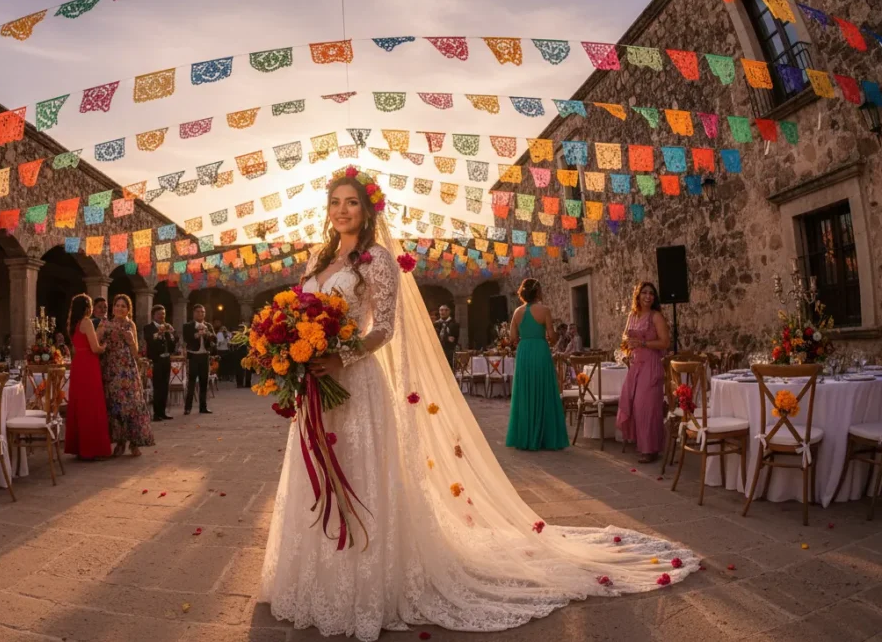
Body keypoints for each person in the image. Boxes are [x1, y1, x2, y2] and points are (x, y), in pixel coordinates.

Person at [260, 168, 697, 641]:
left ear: (367, 210)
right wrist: (289, 354)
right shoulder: (318, 258)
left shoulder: (378, 260)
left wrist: (337, 355)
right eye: (335, 203)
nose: (342, 210)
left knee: (361, 477)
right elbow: (297, 312)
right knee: (317, 473)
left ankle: (367, 583)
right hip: (316, 391)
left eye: (351, 202)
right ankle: (318, 578)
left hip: (356, 385)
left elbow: (382, 329)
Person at [504, 279, 569, 451]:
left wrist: (524, 336)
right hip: (540, 350)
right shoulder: (545, 310)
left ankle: (526, 436)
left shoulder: (517, 312)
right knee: (544, 389)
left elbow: (512, 338)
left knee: (525, 392)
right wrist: (553, 335)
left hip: (524, 351)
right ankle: (545, 436)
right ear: (538, 292)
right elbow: (552, 336)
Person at [616, 282, 671, 464]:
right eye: (644, 293)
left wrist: (644, 344)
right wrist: (627, 348)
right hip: (636, 365)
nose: (648, 296)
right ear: (638, 296)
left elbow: (665, 343)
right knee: (633, 405)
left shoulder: (656, 317)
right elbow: (625, 337)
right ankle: (643, 444)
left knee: (646, 406)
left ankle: (651, 449)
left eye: (651, 294)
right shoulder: (632, 315)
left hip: (651, 365)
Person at [99, 294, 155, 456]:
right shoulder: (105, 324)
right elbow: (96, 344)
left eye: (123, 306)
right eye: (117, 305)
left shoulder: (131, 325)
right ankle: (120, 442)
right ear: (113, 307)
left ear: (128, 310)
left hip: (128, 369)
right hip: (111, 369)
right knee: (116, 405)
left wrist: (130, 341)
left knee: (131, 405)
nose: (119, 308)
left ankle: (134, 442)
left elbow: (136, 352)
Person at [63, 294, 111, 461]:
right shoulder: (86, 322)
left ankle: (79, 447)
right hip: (89, 364)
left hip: (78, 364)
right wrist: (105, 345)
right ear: (86, 307)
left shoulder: (73, 324)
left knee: (79, 404)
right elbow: (95, 348)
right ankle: (91, 449)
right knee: (92, 404)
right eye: (90, 305)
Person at [143, 305, 177, 421]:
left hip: (166, 359)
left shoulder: (167, 327)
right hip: (156, 360)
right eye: (159, 314)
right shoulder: (149, 327)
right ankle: (156, 414)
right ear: (154, 315)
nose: (162, 316)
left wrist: (172, 334)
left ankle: (163, 412)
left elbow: (172, 345)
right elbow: (150, 341)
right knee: (157, 387)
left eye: (163, 314)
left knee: (165, 387)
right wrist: (159, 332)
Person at [182, 305, 215, 415]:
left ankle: (203, 407)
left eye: (203, 312)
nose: (201, 314)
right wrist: (196, 335)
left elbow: (214, 338)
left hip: (204, 356)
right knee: (191, 383)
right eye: (198, 312)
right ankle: (188, 408)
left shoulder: (208, 325)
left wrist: (208, 334)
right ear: (194, 313)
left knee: (204, 382)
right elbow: (186, 338)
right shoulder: (188, 326)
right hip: (193, 356)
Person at [232, 323, 253, 388]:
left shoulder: (247, 335)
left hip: (245, 353)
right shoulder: (238, 336)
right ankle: (242, 383)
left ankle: (245, 383)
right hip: (240, 353)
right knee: (241, 369)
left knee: (247, 369)